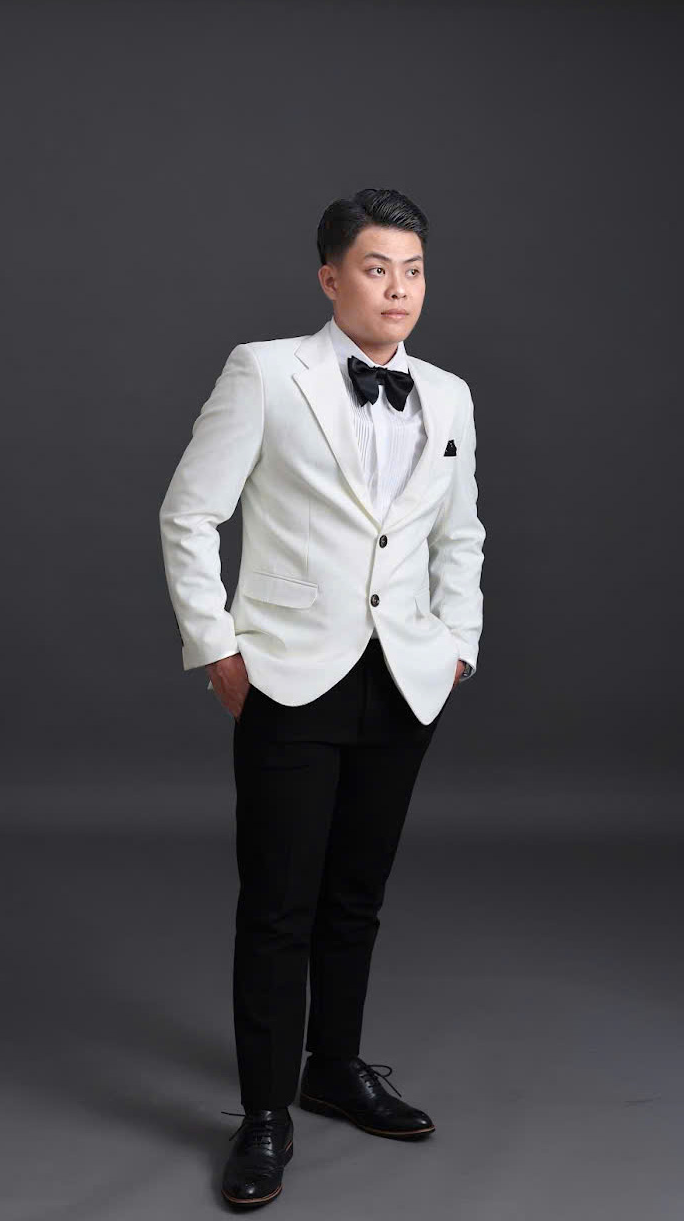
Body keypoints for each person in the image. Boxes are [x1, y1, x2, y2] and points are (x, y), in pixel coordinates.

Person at [158, 187, 486, 1206]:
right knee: (279, 905)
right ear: (330, 278)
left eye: (414, 270)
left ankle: (334, 1067)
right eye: (377, 268)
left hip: (406, 677)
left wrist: (460, 642)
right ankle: (266, 1113)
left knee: (356, 896)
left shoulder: (450, 394)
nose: (399, 289)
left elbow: (461, 534)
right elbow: (189, 513)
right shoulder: (266, 372)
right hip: (291, 673)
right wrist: (217, 645)